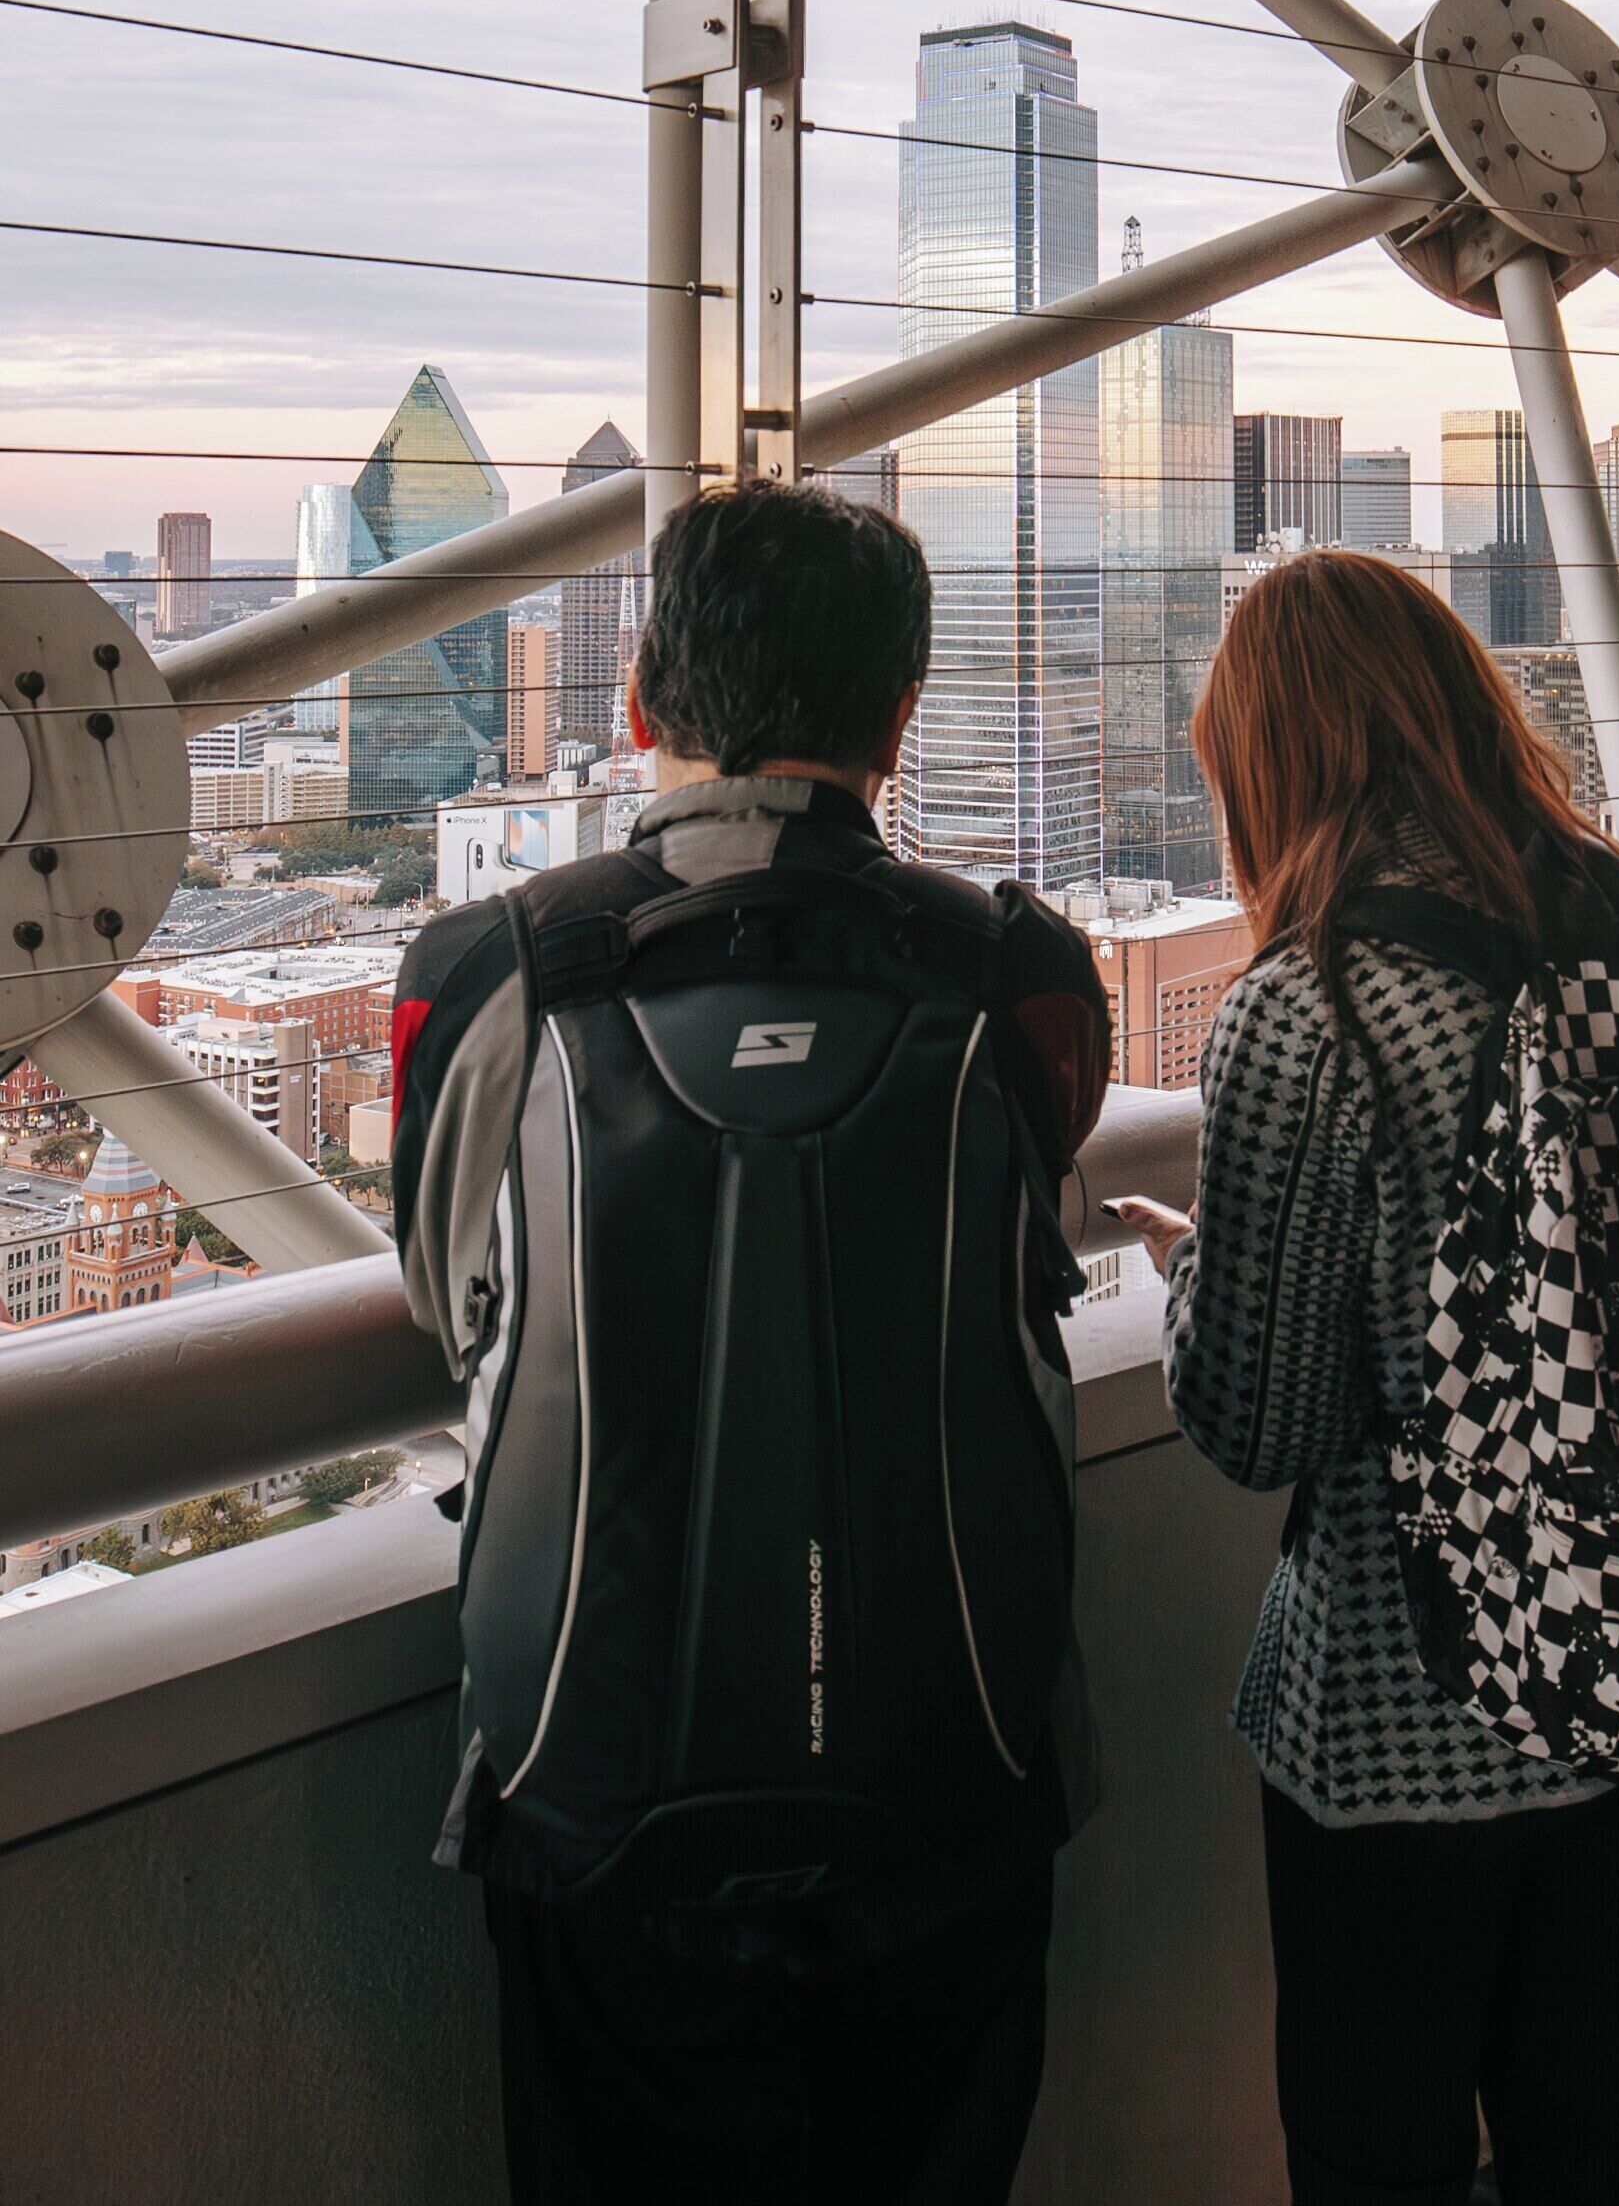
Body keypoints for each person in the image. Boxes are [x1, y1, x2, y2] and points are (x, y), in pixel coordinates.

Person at [392, 479, 1109, 2206]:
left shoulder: (491, 971)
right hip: (954, 1767)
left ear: (639, 699)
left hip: (594, 1774)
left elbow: (447, 1298)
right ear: (901, 717)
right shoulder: (1024, 974)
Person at [1108, 548, 1619, 2206]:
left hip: (1419, 1713)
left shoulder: (1311, 1005)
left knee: (1376, 2146)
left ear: (1273, 761)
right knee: (1585, 2106)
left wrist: (1188, 1267)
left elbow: (1257, 1425)